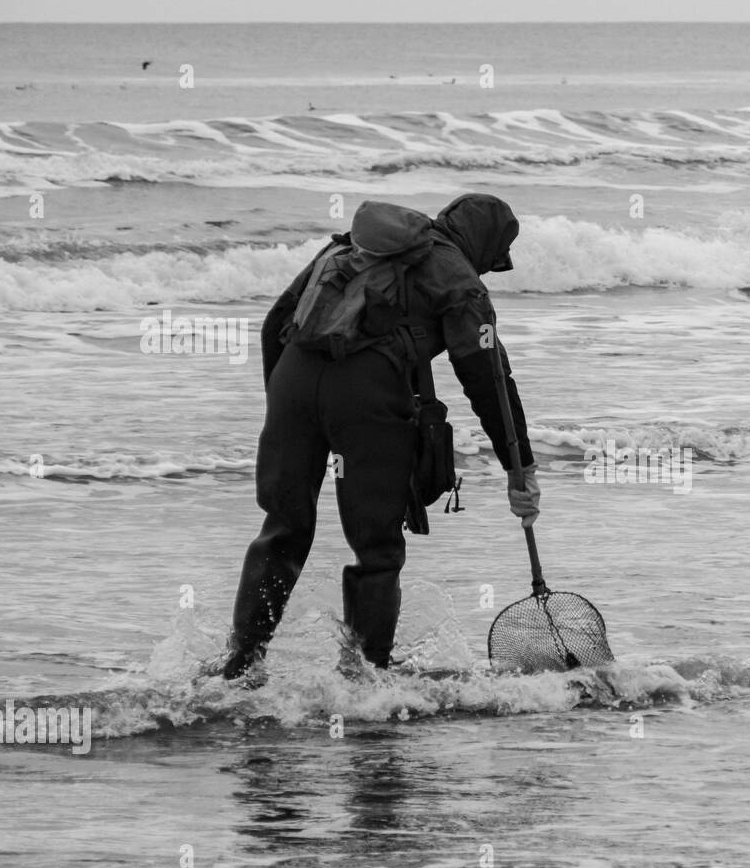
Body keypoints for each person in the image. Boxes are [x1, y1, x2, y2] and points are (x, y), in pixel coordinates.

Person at [207, 194, 539, 683]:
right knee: (377, 546)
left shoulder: (347, 247)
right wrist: (520, 468)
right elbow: (486, 377)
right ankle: (363, 678)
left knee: (284, 526)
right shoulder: (458, 277)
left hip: (292, 380)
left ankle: (240, 665)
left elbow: (276, 322)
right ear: (486, 244)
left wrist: (284, 411)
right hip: (366, 391)